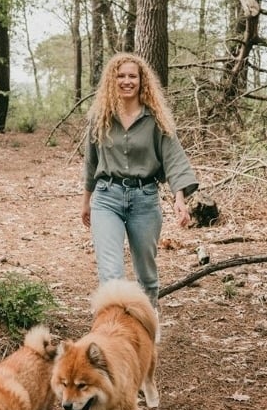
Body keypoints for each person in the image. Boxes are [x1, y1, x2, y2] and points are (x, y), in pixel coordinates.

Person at [81, 52, 198, 339]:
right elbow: (90, 163)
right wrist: (86, 202)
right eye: (121, 76)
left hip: (145, 200)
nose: (126, 81)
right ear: (113, 80)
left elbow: (173, 160)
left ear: (141, 81)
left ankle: (148, 325)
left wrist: (180, 200)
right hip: (107, 198)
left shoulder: (156, 120)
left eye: (132, 76)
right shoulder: (101, 118)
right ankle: (113, 334)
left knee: (146, 273)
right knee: (111, 273)